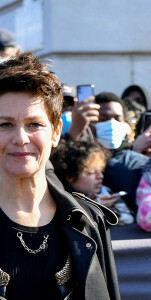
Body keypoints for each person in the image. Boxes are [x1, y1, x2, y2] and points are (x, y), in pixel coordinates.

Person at [0, 52, 120, 299]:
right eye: (5, 124)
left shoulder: (89, 222)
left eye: (34, 124)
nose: (20, 138)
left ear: (55, 133)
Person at [50, 140, 134, 225]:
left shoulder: (106, 192)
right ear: (70, 176)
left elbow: (128, 217)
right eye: (92, 172)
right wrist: (91, 208)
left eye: (101, 170)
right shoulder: (56, 202)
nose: (100, 176)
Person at [93, 92, 149, 211]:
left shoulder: (140, 162)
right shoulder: (79, 162)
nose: (112, 124)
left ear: (125, 123)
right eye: (103, 119)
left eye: (117, 118)